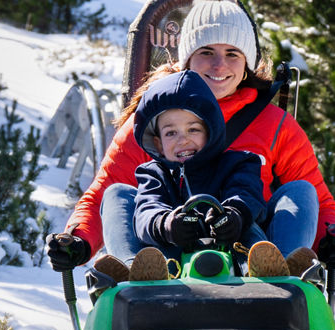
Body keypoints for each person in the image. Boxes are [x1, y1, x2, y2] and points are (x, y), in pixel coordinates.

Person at [46, 0, 335, 277]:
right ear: (188, 58)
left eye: (232, 54)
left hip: (246, 246)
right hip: (167, 246)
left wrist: (331, 240)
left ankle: (279, 271)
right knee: (119, 193)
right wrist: (77, 239)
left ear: (246, 62)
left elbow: (316, 198)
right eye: (207, 52)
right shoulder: (155, 117)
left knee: (301, 190)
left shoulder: (274, 126)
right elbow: (104, 192)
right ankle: (137, 273)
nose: (219, 66)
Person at [92, 68, 297, 282]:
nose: (183, 140)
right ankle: (133, 269)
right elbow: (147, 209)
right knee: (119, 197)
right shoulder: (153, 174)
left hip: (234, 253)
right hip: (172, 266)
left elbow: (246, 192)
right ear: (158, 143)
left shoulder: (239, 162)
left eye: (193, 130)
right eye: (171, 133)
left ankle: (265, 270)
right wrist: (166, 224)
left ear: (210, 132)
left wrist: (234, 214)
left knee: (249, 226)